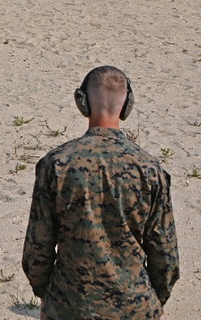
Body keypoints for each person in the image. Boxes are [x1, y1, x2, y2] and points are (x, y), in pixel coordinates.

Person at [22, 66, 179, 320]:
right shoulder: (148, 169)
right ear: (128, 104)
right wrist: (151, 300)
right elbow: (165, 254)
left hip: (69, 306)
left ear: (81, 102)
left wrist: (48, 297)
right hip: (135, 306)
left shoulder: (57, 164)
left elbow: (37, 249)